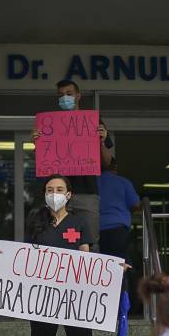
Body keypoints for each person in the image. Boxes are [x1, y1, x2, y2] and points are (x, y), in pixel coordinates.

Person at [0, 175, 98, 336]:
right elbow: (24, 258)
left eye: (59, 189)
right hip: (43, 301)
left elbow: (88, 258)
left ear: (69, 195)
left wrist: (111, 269)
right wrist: (2, 258)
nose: (54, 193)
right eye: (49, 189)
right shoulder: (37, 222)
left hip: (75, 300)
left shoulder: (79, 222)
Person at [31, 80, 114, 252]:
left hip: (86, 193)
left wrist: (102, 140)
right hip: (58, 193)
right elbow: (42, 164)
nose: (65, 98)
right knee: (54, 240)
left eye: (69, 93)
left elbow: (107, 163)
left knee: (90, 242)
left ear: (78, 96)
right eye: (60, 95)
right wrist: (38, 144)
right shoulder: (49, 125)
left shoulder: (93, 122)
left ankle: (89, 278)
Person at [98, 157, 140, 262]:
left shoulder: (93, 183)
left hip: (97, 229)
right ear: (115, 167)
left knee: (100, 262)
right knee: (119, 262)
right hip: (118, 228)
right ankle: (121, 279)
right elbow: (136, 205)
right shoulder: (123, 182)